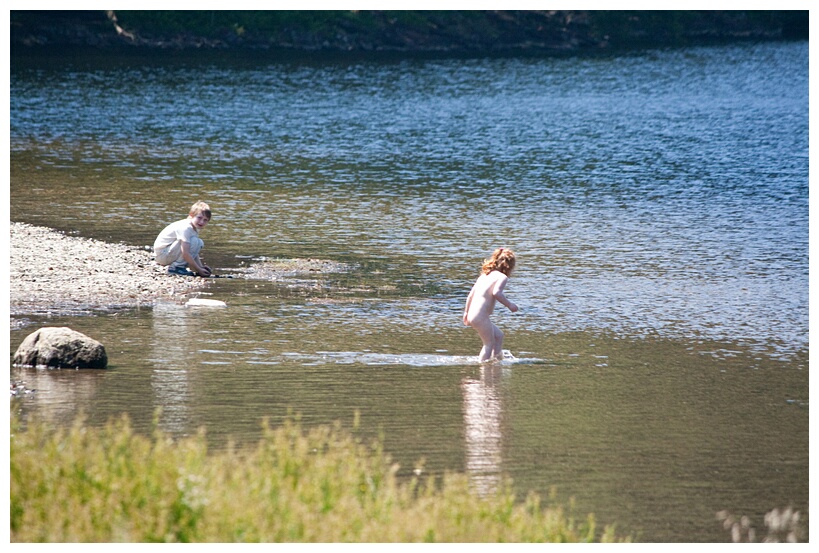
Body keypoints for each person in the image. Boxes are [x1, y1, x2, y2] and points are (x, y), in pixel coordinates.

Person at [463, 247, 519, 362]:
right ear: (509, 266)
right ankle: (483, 367)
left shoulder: (484, 275)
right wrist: (510, 305)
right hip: (480, 316)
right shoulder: (502, 277)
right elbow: (497, 293)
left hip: (472, 314)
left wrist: (466, 313)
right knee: (488, 343)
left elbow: (470, 295)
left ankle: (497, 361)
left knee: (498, 336)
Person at [153, 200, 213, 277]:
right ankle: (176, 267)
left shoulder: (194, 228)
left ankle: (179, 265)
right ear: (191, 215)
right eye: (199, 218)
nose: (201, 222)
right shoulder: (185, 228)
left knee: (199, 242)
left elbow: (193, 250)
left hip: (168, 252)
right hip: (162, 255)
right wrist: (199, 269)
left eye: (205, 220)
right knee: (194, 241)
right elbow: (185, 253)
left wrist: (200, 267)